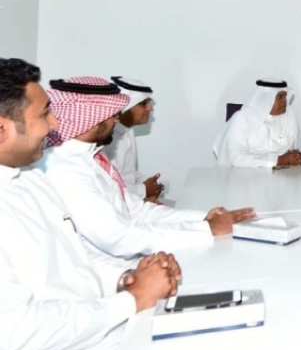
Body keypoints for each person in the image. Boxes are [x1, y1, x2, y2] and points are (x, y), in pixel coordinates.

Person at [0, 58, 180, 350]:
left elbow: (74, 251)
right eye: (44, 114)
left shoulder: (28, 178)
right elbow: (14, 336)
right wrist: (131, 300)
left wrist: (126, 277)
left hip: (94, 333)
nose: (55, 124)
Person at [39, 76, 255, 259]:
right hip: (105, 270)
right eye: (112, 114)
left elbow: (136, 210)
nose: (117, 120)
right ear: (91, 118)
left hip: (126, 257)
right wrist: (207, 230)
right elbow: (118, 238)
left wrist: (202, 219)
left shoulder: (91, 156)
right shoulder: (64, 169)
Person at [213, 79, 301, 168]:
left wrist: (296, 158)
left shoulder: (290, 117)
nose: (284, 101)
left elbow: (297, 152)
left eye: (285, 96)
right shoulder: (242, 119)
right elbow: (235, 158)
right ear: (265, 99)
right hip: (245, 176)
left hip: (284, 174)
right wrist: (277, 161)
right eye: (279, 97)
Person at [105, 76, 163, 202]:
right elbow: (105, 186)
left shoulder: (127, 131)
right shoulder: (103, 138)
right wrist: (143, 190)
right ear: (125, 106)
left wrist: (150, 184)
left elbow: (127, 174)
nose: (150, 108)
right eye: (144, 103)